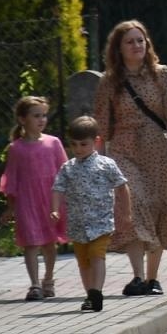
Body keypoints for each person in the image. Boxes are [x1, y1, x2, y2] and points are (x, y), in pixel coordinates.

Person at [94, 21, 167, 297]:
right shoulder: (109, 81)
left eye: (141, 40)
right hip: (124, 150)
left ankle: (152, 278)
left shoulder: (162, 75)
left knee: (160, 207)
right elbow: (101, 125)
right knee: (133, 204)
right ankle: (137, 276)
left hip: (158, 150)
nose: (137, 46)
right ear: (118, 48)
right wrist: (99, 163)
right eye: (130, 42)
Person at [52, 116, 130, 312]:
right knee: (83, 263)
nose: (78, 149)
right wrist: (54, 209)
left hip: (101, 223)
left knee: (97, 256)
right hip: (77, 224)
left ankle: (96, 292)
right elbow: (58, 189)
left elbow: (122, 186)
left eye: (83, 144)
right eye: (74, 144)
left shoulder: (106, 164)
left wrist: (126, 211)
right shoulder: (68, 168)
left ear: (96, 141)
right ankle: (89, 294)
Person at [0, 96, 67, 300]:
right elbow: (11, 179)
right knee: (31, 242)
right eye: (36, 115)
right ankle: (35, 285)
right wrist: (11, 207)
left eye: (44, 115)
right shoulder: (16, 148)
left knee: (48, 242)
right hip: (27, 201)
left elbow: (65, 172)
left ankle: (48, 279)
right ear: (22, 119)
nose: (41, 120)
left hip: (50, 200)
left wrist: (66, 199)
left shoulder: (53, 143)